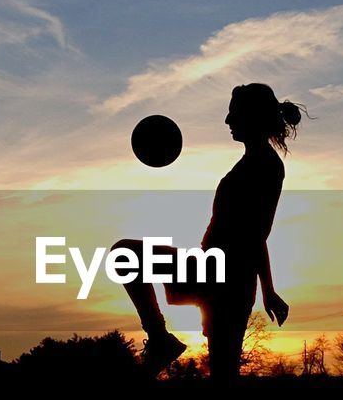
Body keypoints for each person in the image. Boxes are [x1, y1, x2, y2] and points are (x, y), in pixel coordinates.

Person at [113, 84, 304, 382]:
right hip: (212, 271)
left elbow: (256, 234)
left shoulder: (265, 166)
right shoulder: (252, 163)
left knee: (223, 377)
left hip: (225, 280)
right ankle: (160, 338)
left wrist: (267, 290)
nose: (227, 120)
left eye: (233, 112)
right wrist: (267, 291)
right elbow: (257, 235)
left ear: (250, 116)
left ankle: (160, 339)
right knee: (125, 254)